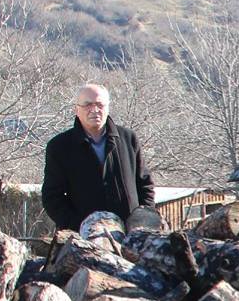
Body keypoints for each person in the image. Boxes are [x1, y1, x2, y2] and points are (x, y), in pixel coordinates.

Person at [42, 83, 155, 233]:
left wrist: (142, 222)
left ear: (108, 107)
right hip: (84, 238)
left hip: (131, 236)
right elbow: (52, 198)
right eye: (87, 105)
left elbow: (145, 185)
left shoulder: (128, 139)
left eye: (100, 104)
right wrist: (79, 226)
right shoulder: (60, 146)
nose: (95, 110)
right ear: (76, 110)